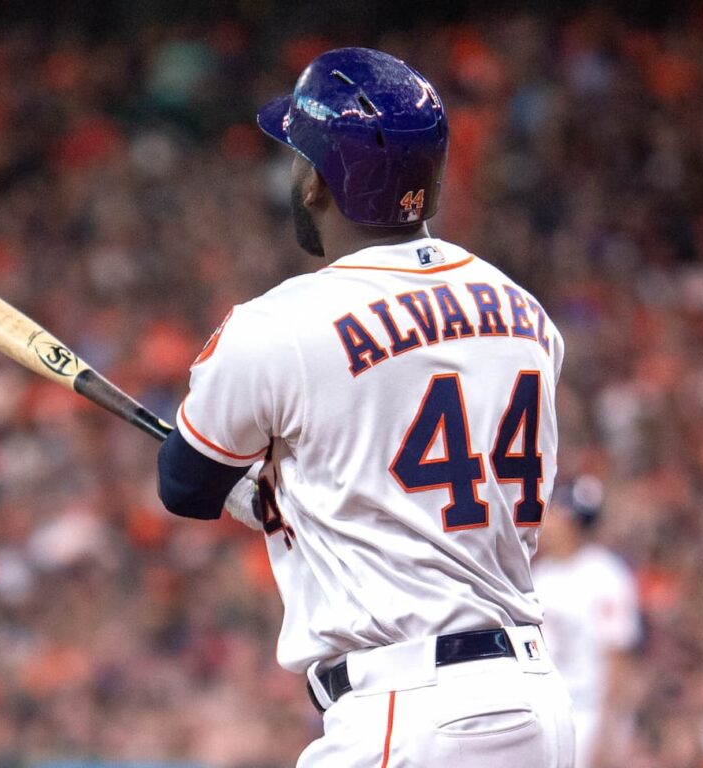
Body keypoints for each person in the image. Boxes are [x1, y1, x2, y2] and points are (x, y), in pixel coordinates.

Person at [157, 47, 575, 767]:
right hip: (537, 705)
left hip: (406, 710)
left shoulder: (279, 325)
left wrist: (260, 489)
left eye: (298, 157)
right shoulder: (525, 311)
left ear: (321, 181)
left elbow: (184, 485)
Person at [533, 476, 641, 768]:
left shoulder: (605, 574)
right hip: (550, 710)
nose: (549, 523)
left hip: (590, 709)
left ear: (572, 523)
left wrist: (609, 729)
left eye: (556, 514)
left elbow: (617, 656)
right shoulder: (539, 575)